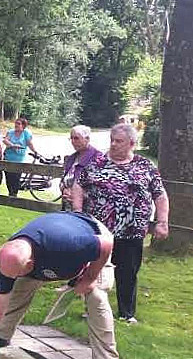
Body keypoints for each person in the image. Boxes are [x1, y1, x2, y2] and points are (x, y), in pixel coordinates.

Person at [0, 211, 118, 359]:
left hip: (94, 244)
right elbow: (1, 297)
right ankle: (1, 335)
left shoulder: (67, 244)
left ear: (30, 263)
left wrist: (90, 277)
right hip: (48, 255)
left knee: (96, 298)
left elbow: (106, 244)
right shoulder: (10, 254)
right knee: (19, 285)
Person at [71, 123, 170, 324]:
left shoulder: (145, 166)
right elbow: (78, 185)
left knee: (128, 272)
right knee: (96, 271)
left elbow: (160, 195)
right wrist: (77, 211)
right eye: (112, 140)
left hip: (132, 231)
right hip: (100, 230)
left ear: (132, 144)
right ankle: (93, 311)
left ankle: (126, 314)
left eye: (119, 141)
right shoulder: (97, 163)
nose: (114, 144)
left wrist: (162, 222)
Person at [60, 125, 102, 211]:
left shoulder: (98, 159)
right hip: (68, 208)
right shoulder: (71, 158)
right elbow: (63, 180)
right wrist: (64, 189)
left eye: (76, 138)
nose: (73, 141)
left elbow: (100, 187)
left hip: (88, 210)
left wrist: (78, 195)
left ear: (87, 139)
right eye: (71, 138)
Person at [2, 118, 38, 197]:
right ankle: (10, 193)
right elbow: (5, 140)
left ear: (23, 126)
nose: (16, 125)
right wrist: (12, 145)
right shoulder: (11, 132)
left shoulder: (26, 133)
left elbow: (29, 143)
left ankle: (14, 194)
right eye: (16, 123)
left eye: (18, 124)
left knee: (16, 178)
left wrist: (35, 151)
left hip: (18, 160)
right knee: (8, 177)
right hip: (8, 158)